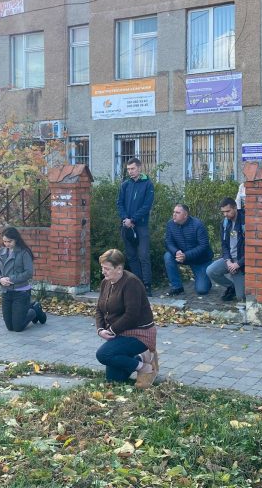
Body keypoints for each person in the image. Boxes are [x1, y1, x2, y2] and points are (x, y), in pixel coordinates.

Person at [95, 249, 158, 389]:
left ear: (119, 269)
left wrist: (111, 330)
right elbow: (99, 308)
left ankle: (144, 367)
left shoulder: (131, 283)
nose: (103, 272)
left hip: (140, 334)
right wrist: (100, 330)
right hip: (120, 333)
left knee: (103, 354)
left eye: (107, 269)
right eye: (102, 268)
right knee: (114, 380)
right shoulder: (105, 282)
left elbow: (132, 315)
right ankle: (141, 358)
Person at [0, 226, 46, 331]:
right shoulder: (0, 252)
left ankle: (35, 310)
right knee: (10, 327)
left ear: (16, 239)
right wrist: (0, 279)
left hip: (21, 292)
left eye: (9, 241)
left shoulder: (24, 252)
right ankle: (28, 308)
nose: (7, 244)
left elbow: (29, 273)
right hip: (6, 292)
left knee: (17, 327)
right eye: (4, 241)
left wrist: (11, 279)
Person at [116, 157, 155, 295]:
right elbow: (119, 203)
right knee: (131, 256)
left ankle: (147, 286)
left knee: (143, 256)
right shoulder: (125, 185)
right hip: (126, 226)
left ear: (139, 168)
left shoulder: (148, 184)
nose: (130, 171)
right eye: (128, 169)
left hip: (141, 226)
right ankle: (138, 285)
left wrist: (133, 219)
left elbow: (147, 206)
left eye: (132, 169)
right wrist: (125, 218)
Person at [163, 203, 214, 296]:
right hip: (181, 256)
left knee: (202, 290)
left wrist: (186, 255)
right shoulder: (170, 224)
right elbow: (168, 242)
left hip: (200, 260)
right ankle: (177, 287)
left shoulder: (198, 224)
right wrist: (176, 252)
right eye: (174, 212)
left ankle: (206, 280)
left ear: (185, 215)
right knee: (168, 256)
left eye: (177, 212)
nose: (174, 214)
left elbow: (203, 246)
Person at [206, 197, 246, 302]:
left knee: (241, 298)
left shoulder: (245, 222)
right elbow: (224, 245)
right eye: (223, 212)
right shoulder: (224, 223)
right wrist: (228, 261)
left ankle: (239, 288)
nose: (225, 214)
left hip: (241, 262)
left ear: (235, 208)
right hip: (230, 259)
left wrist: (238, 264)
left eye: (228, 211)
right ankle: (231, 286)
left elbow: (251, 248)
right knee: (211, 271)